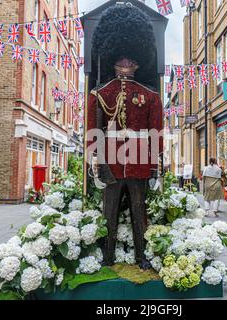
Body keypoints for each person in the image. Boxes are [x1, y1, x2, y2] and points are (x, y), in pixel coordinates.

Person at [87, 5, 163, 270]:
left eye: (131, 61)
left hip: (140, 161)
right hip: (111, 161)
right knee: (108, 214)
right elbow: (94, 131)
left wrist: (155, 165)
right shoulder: (100, 93)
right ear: (114, 60)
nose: (126, 65)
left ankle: (141, 257)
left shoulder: (151, 95)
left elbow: (156, 132)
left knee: (139, 214)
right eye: (122, 60)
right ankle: (107, 258)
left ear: (138, 63)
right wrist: (95, 160)